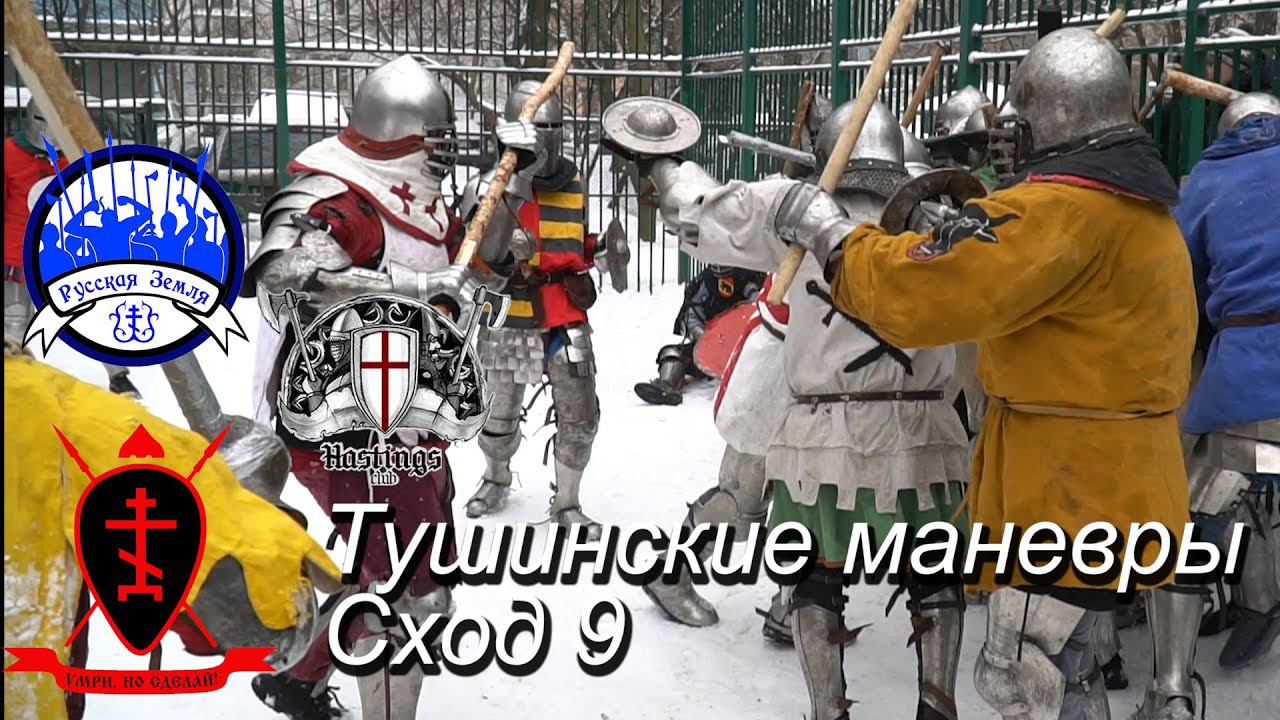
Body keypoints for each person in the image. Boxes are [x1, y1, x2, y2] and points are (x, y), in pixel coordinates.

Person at [772, 28, 1197, 719]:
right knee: (1072, 668)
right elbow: (1023, 275)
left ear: (1050, 120)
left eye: (1020, 122)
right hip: (1127, 479)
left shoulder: (1061, 211)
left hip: (1068, 490)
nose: (1009, 138)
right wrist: (956, 234)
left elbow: (921, 298)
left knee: (1027, 676)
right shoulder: (1141, 210)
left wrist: (835, 237)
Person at [616, 98, 970, 720]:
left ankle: (828, 709)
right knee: (933, 578)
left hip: (822, 429)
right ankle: (935, 708)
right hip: (919, 428)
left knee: (815, 577)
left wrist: (659, 157)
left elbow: (697, 208)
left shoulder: (797, 208)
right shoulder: (944, 224)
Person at [242, 55, 490, 720]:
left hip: (407, 417)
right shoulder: (333, 194)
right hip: (339, 422)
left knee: (396, 572)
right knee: (408, 592)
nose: (444, 151)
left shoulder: (417, 198)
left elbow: (470, 268)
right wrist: (416, 288)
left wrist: (513, 182)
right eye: (435, 137)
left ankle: (297, 677)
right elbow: (280, 274)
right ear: (398, 131)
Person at [1130, 91, 1280, 720]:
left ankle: (1170, 689)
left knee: (1186, 525)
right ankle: (1260, 601)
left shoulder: (1208, 181)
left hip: (1250, 375)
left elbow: (1180, 288)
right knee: (1260, 476)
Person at [458, 81, 605, 539]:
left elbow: (574, 240)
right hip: (510, 308)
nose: (546, 137)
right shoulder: (489, 188)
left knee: (580, 413)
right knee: (499, 410)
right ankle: (495, 477)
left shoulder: (574, 182)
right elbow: (471, 260)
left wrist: (596, 250)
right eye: (538, 128)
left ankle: (568, 501)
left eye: (553, 127)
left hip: (564, 310)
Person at [3, 97, 140, 397]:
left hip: (61, 255)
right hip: (16, 256)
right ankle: (13, 385)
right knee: (14, 322)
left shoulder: (74, 155)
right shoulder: (9, 154)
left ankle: (118, 376)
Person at [634, 263, 764, 406]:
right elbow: (692, 313)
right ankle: (667, 386)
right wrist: (703, 336)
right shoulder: (706, 282)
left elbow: (762, 307)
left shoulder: (749, 276)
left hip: (748, 345)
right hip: (714, 344)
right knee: (672, 353)